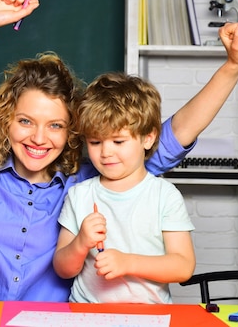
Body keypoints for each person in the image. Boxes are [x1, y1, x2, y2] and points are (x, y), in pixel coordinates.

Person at [0, 0, 238, 301]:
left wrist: (232, 67)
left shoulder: (90, 179)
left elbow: (172, 135)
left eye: (55, 125)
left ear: (74, 131)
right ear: (5, 119)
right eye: (25, 121)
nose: (39, 138)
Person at [53, 72, 195, 304]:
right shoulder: (80, 195)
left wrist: (128, 262)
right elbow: (62, 268)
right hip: (87, 313)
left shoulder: (164, 196)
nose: (106, 152)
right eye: (95, 142)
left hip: (148, 316)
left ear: (148, 138)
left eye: (118, 141)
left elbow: (183, 266)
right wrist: (81, 243)